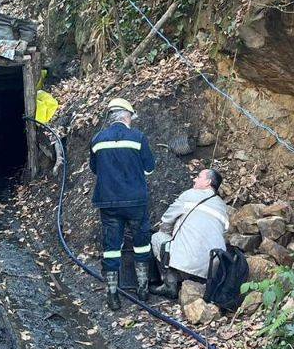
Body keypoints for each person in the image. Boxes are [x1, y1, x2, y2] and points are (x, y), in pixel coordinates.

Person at [89, 98, 156, 310]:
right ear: (126, 116)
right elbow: (149, 169)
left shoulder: (97, 139)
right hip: (135, 201)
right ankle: (143, 289)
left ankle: (112, 295)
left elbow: (95, 169)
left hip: (108, 202)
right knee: (141, 242)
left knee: (111, 247)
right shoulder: (138, 137)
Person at [149, 169, 229, 299]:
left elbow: (167, 220)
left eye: (198, 176)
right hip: (209, 271)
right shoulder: (222, 206)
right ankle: (189, 280)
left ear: (208, 182)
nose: (194, 179)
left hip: (185, 263)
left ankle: (170, 284)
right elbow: (224, 233)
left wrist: (169, 236)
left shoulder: (190, 195)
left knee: (157, 238)